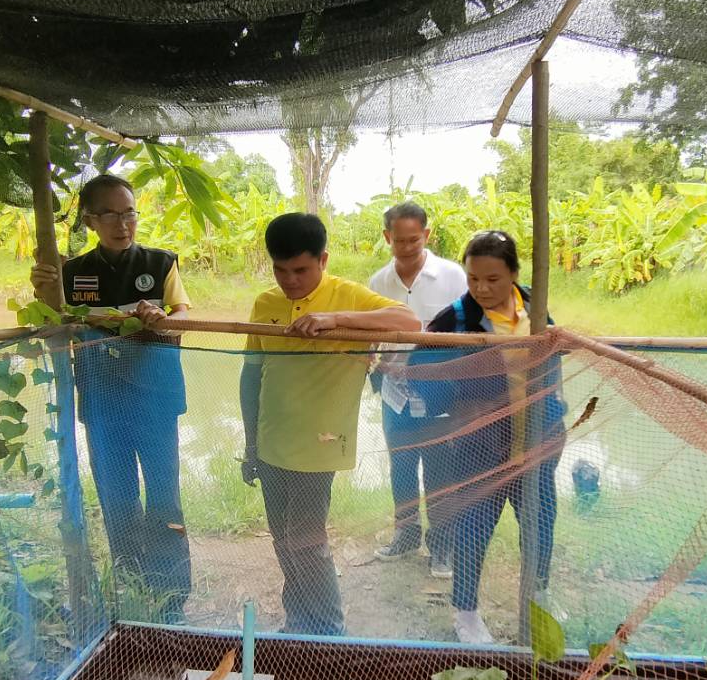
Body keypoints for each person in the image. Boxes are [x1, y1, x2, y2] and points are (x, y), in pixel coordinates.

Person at [239, 212, 421, 636]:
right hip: (270, 440)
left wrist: (334, 319)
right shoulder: (265, 303)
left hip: (320, 444)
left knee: (305, 540)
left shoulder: (347, 296)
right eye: (281, 270)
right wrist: (250, 443)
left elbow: (409, 322)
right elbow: (251, 374)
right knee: (283, 539)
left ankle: (328, 631)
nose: (291, 281)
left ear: (323, 260)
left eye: (301, 270)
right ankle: (299, 622)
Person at [30, 174, 192, 622]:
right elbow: (51, 324)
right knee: (116, 497)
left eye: (129, 213)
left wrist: (160, 318)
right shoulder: (70, 273)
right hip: (102, 402)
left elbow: (181, 318)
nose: (123, 224)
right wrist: (44, 293)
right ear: (90, 220)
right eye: (111, 215)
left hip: (156, 399)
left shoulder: (161, 263)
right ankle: (131, 588)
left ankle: (171, 597)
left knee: (164, 496)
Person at [411, 231, 566, 645]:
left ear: (514, 273)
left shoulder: (534, 307)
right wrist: (457, 404)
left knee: (539, 522)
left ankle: (538, 595)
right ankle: (466, 612)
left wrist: (556, 415)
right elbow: (418, 370)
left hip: (537, 442)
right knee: (473, 527)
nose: (481, 288)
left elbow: (551, 363)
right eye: (473, 278)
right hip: (480, 448)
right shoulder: (456, 319)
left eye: (492, 279)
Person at [367, 202, 467, 575]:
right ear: (387, 237)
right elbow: (371, 334)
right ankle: (406, 536)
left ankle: (442, 547)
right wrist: (373, 360)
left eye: (414, 239)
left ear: (426, 235)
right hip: (396, 395)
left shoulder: (453, 276)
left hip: (442, 393)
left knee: (441, 471)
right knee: (402, 466)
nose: (407, 247)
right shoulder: (379, 283)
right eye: (399, 241)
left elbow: (468, 330)